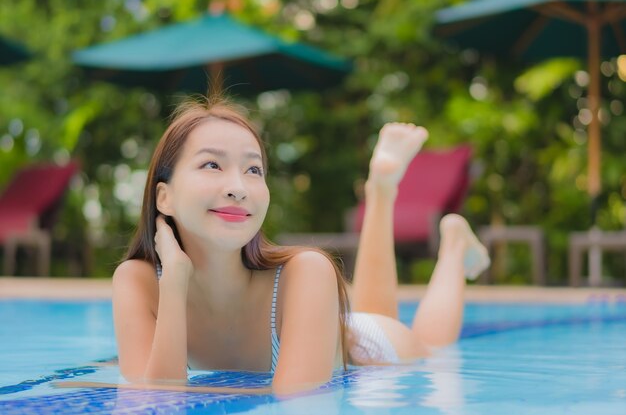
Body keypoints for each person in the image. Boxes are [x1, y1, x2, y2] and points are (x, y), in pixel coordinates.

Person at [57, 96, 490, 396]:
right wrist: (174, 284)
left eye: (253, 170)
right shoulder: (137, 281)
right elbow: (156, 402)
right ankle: (382, 189)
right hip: (334, 329)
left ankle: (449, 248)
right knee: (368, 308)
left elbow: (295, 404)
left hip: (374, 352)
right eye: (212, 164)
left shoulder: (305, 272)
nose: (238, 187)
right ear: (163, 196)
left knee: (430, 345)